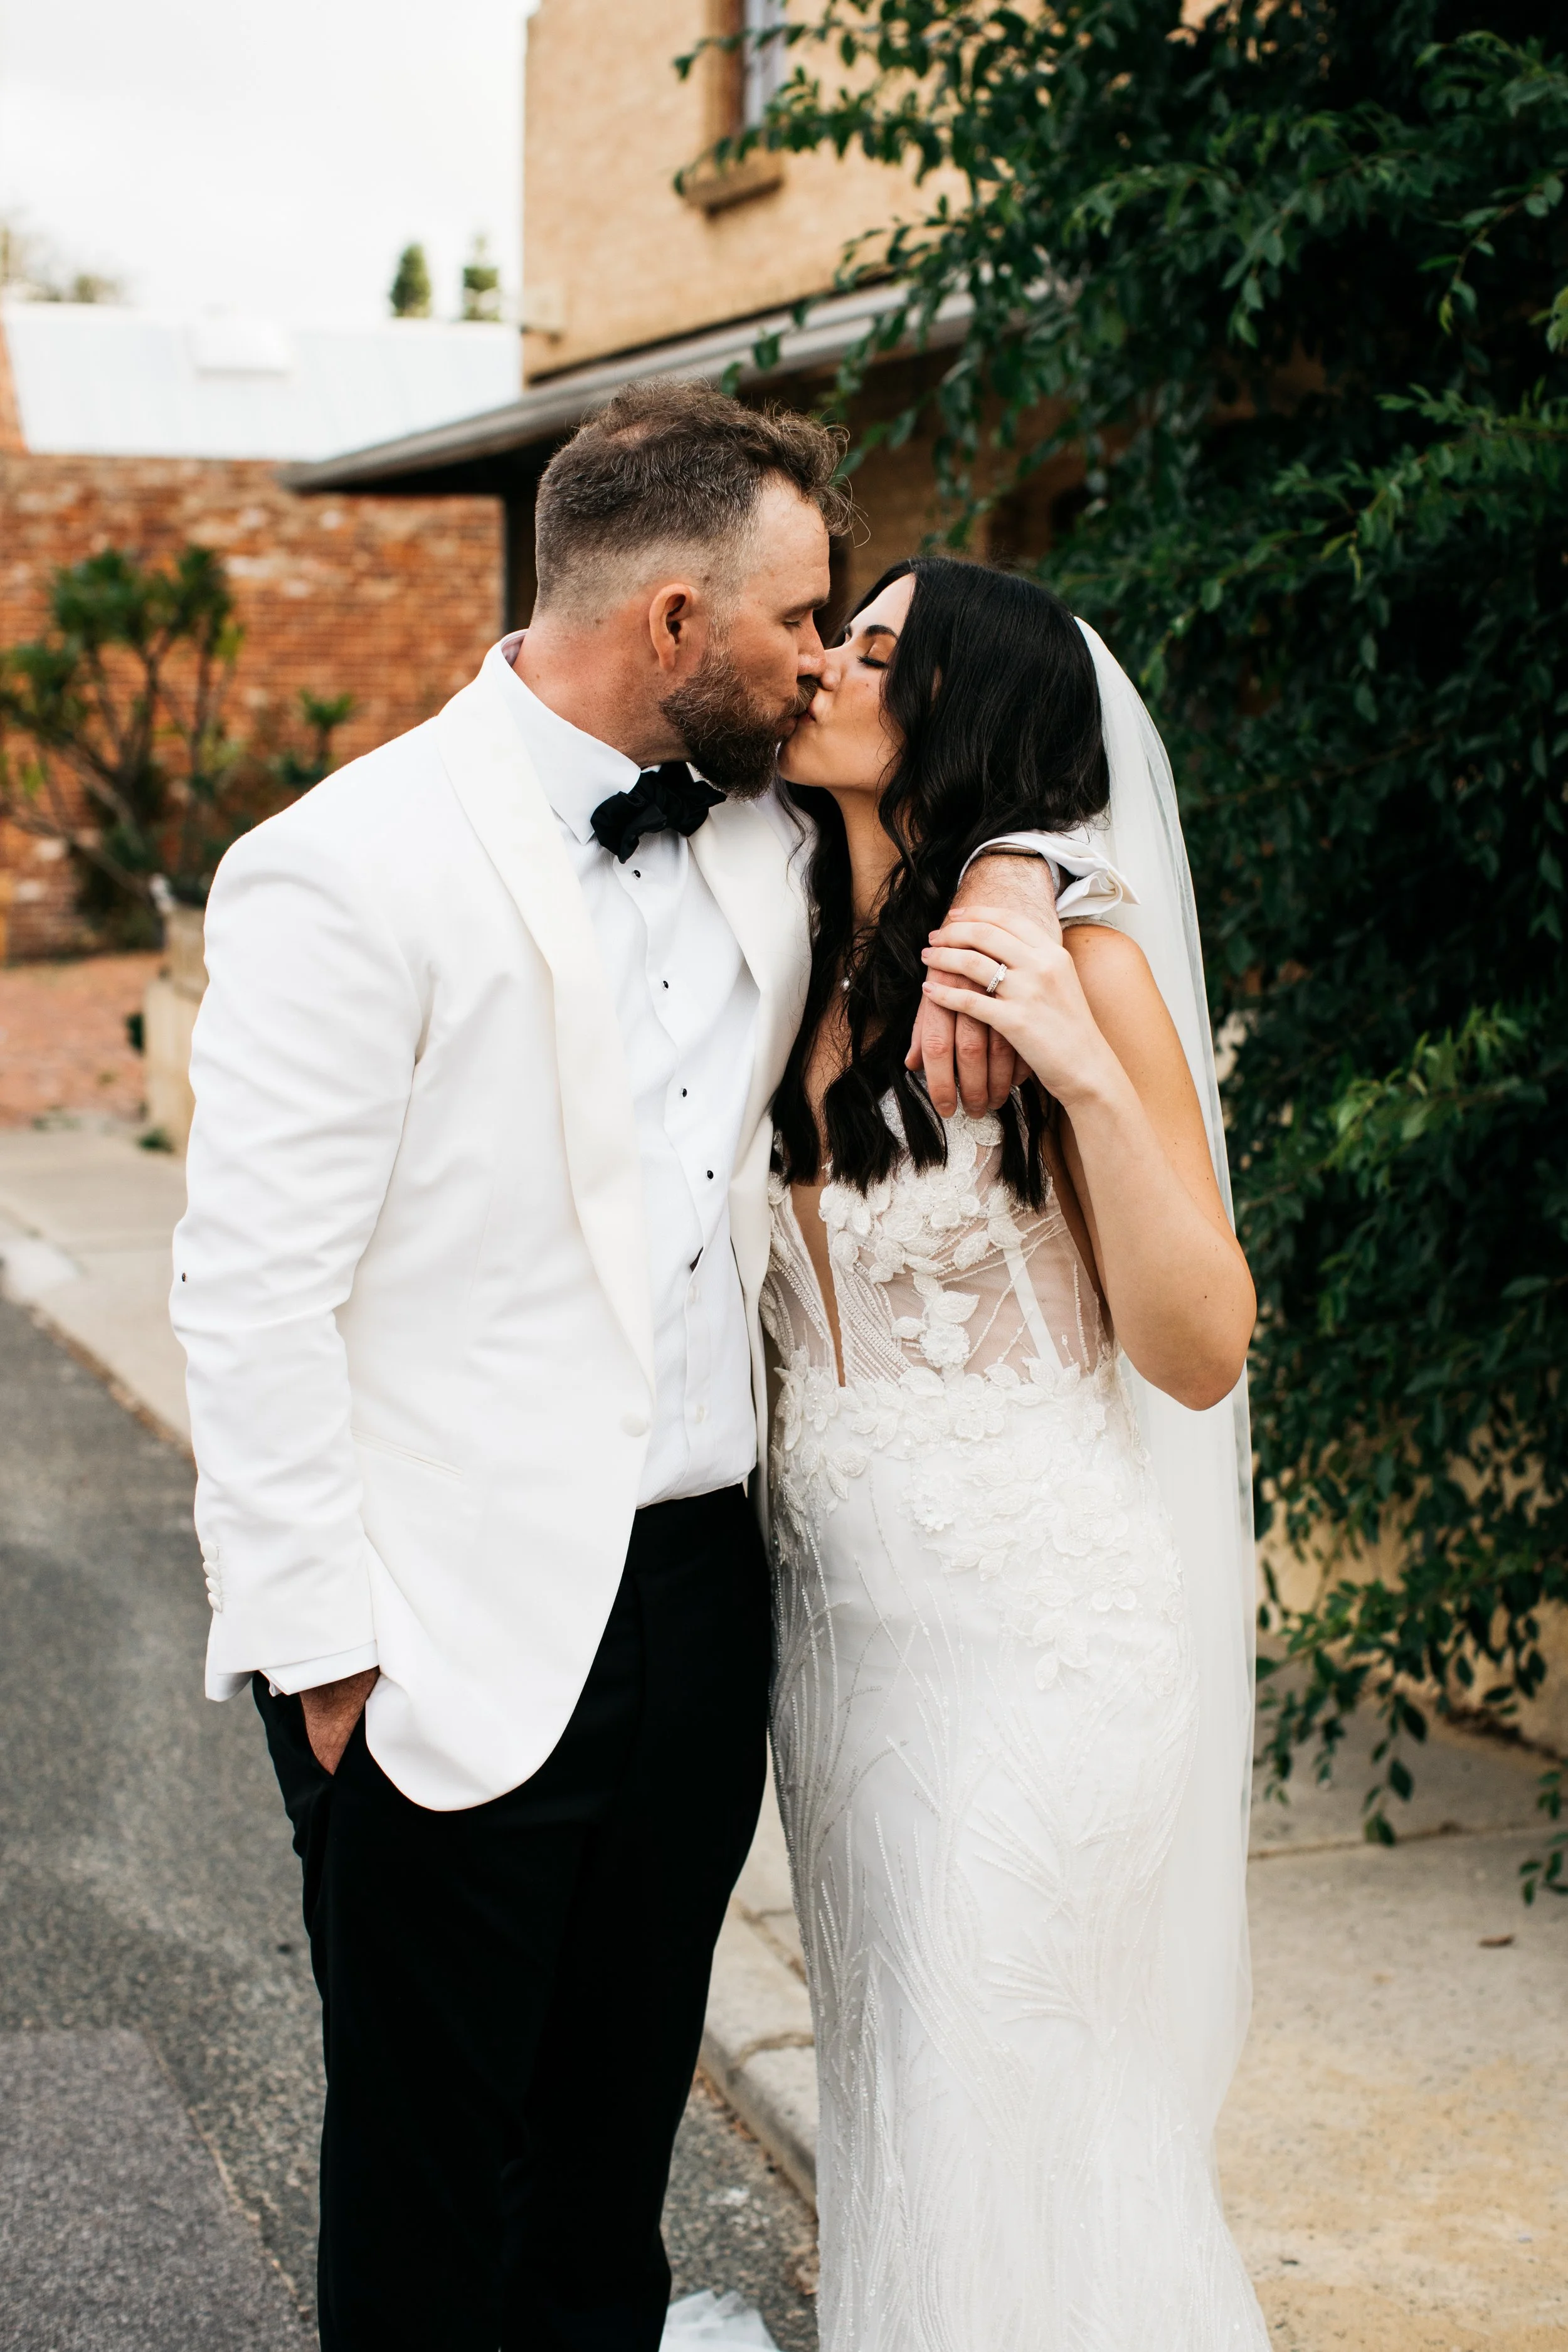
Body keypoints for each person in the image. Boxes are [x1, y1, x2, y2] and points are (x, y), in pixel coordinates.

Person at [169, 385, 1057, 2351]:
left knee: (605, 2177)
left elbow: (1013, 776)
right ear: (673, 623)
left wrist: (1012, 874)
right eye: (799, 614)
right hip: (432, 1624)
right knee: (427, 2184)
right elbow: (247, 1291)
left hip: (697, 1599)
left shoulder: (764, 823)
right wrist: (322, 1650)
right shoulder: (347, 864)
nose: (825, 655)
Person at [763, 555, 1269, 2348]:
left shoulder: (1074, 966)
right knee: (910, 2103)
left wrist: (1086, 1057)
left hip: (1042, 1639)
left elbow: (1200, 1345)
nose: (823, 662)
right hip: (841, 1658)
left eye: (876, 650)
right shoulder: (781, 931)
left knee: (1030, 2092)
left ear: (961, 713)